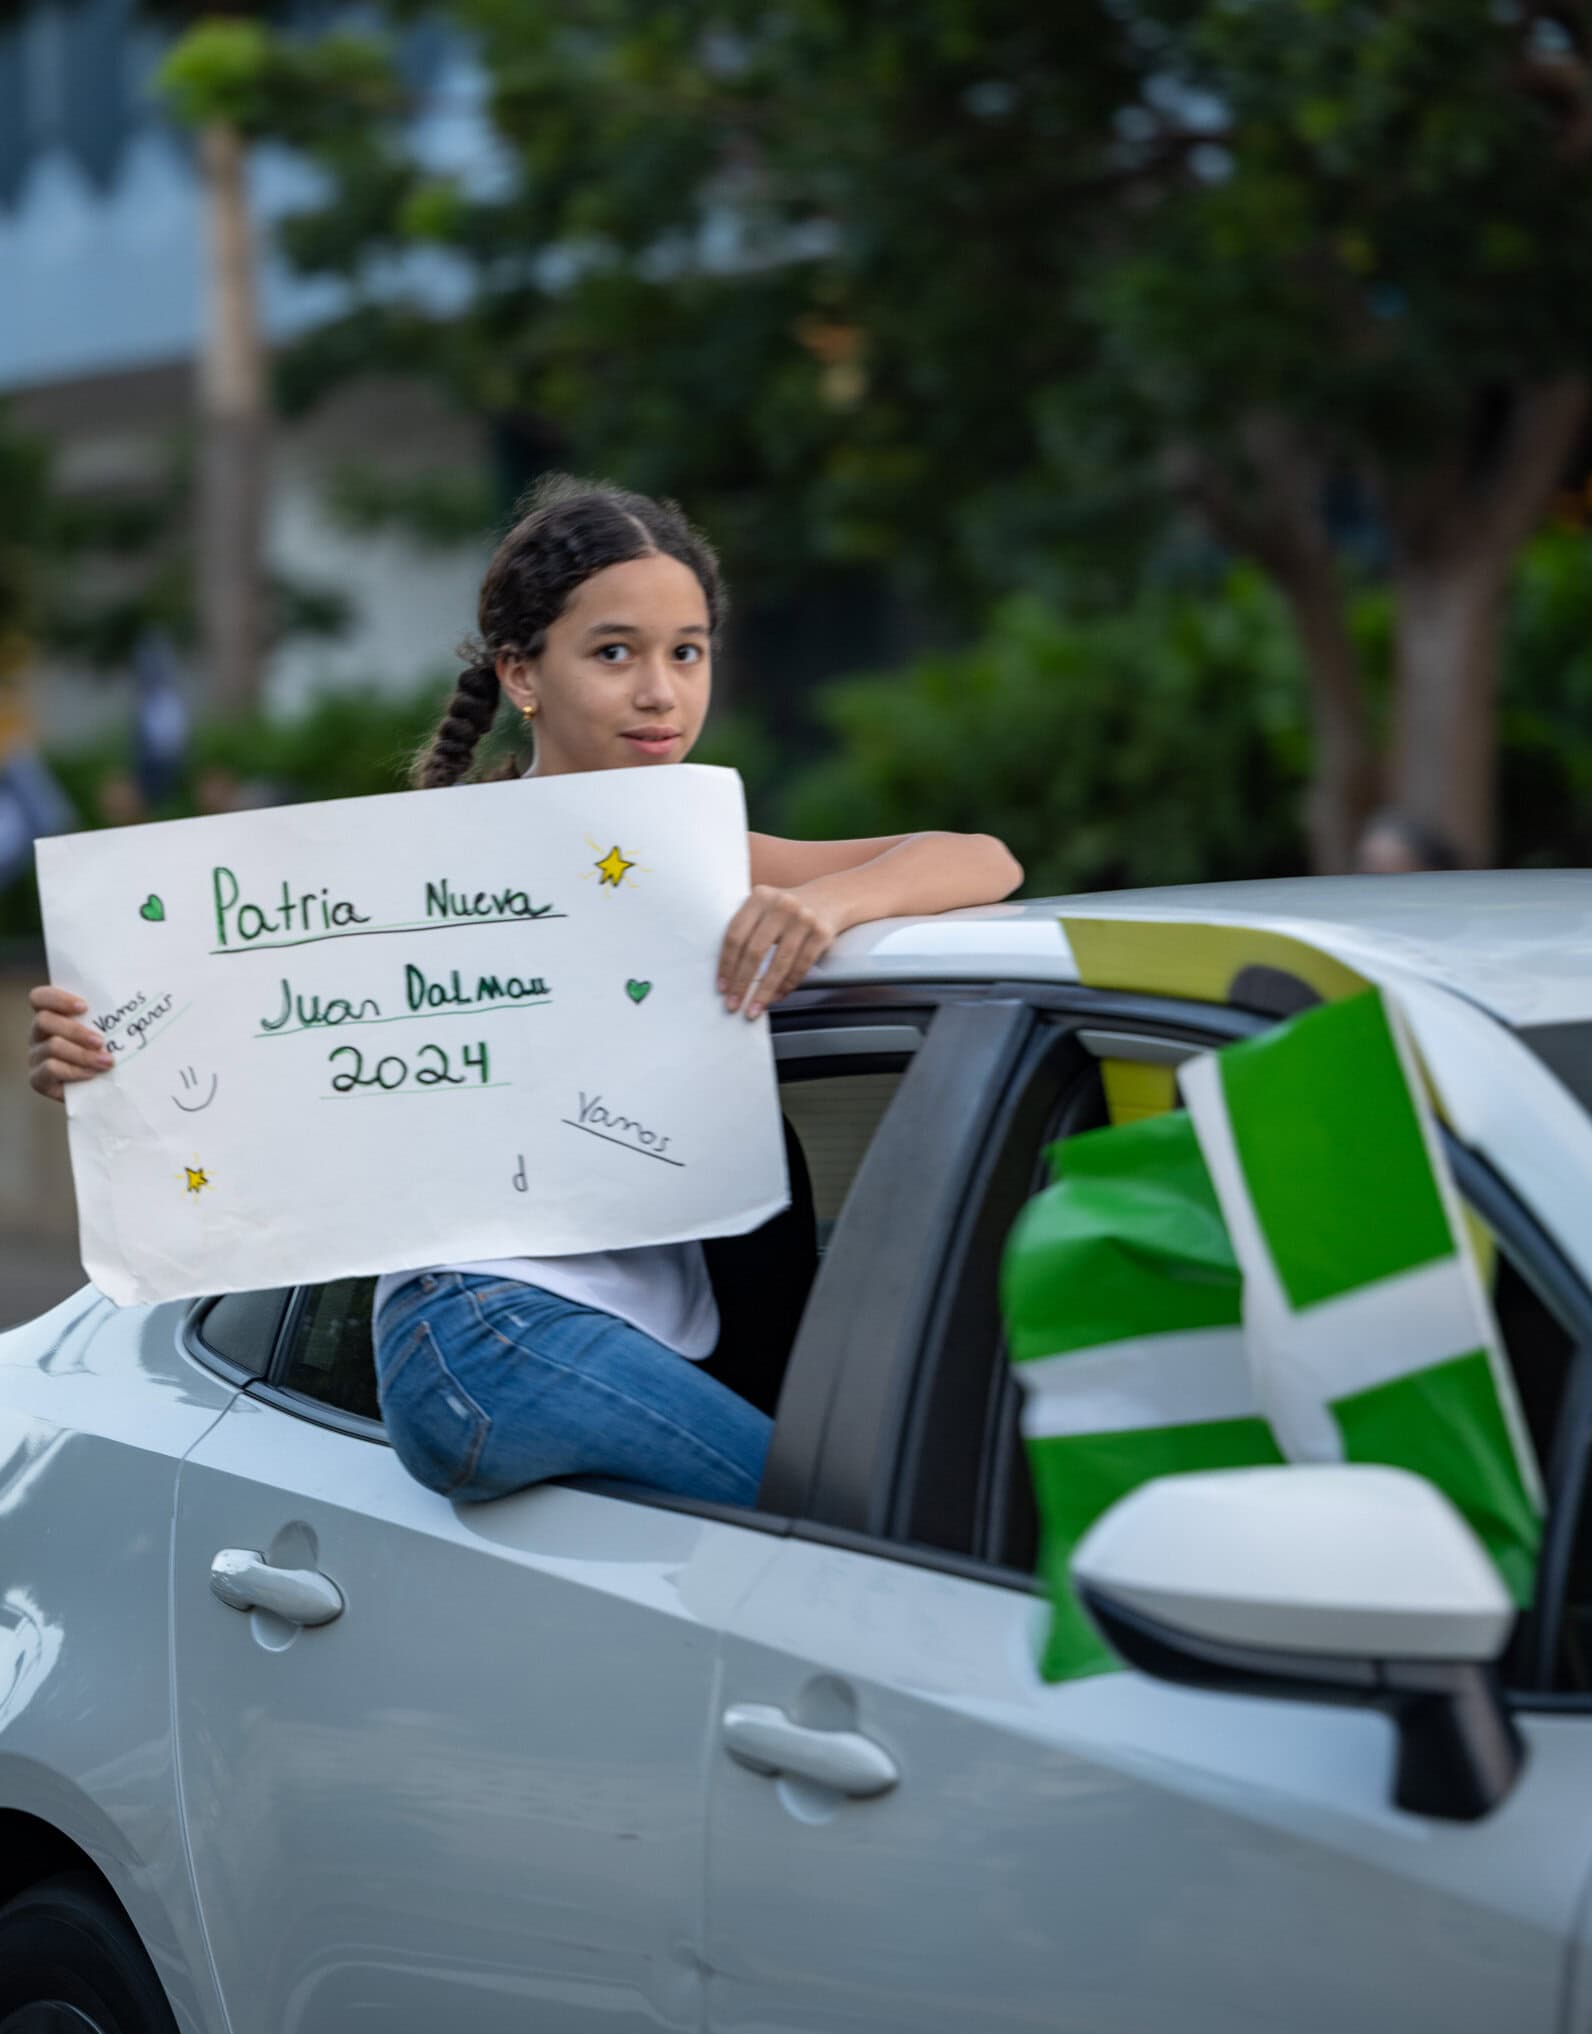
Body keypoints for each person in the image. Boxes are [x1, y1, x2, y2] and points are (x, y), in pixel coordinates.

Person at [27, 476, 1023, 1510]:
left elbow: (982, 857)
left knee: (839, 1532)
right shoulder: (409, 879)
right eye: (613, 651)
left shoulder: (693, 852)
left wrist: (840, 901)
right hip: (487, 1327)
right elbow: (242, 1062)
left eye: (687, 650)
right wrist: (99, 1061)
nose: (660, 690)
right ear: (521, 674)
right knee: (859, 1538)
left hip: (603, 1345)